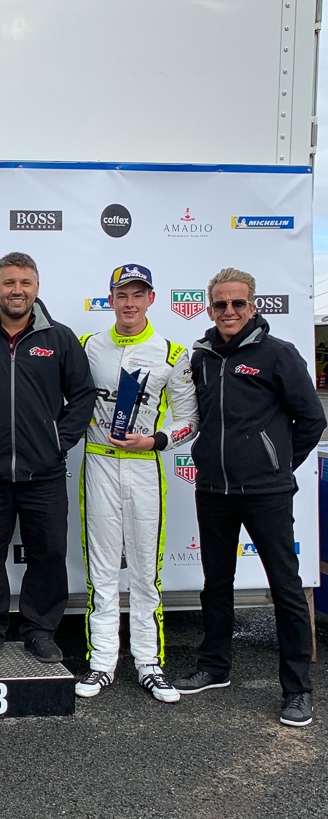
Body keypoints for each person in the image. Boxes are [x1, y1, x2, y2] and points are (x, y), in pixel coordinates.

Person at [173, 268, 325, 727]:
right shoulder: (200, 357)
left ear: (253, 306)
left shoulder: (278, 354)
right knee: (216, 584)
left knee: (286, 589)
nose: (229, 311)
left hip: (266, 493)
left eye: (238, 303)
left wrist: (276, 465)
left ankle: (297, 689)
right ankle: (215, 667)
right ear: (209, 309)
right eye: (220, 304)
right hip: (213, 490)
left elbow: (311, 420)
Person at [0, 251, 94, 663]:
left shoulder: (60, 339)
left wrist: (58, 441)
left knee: (48, 554)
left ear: (36, 288)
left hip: (45, 474)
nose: (17, 290)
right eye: (9, 283)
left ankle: (40, 631)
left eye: (25, 283)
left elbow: (83, 395)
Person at [76, 264, 198, 702]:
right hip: (99, 464)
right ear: (110, 299)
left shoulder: (171, 353)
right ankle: (101, 661)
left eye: (138, 294)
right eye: (122, 295)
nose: (129, 303)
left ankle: (149, 663)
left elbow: (189, 420)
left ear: (151, 298)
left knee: (147, 572)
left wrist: (156, 440)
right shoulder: (87, 346)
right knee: (102, 571)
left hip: (145, 466)